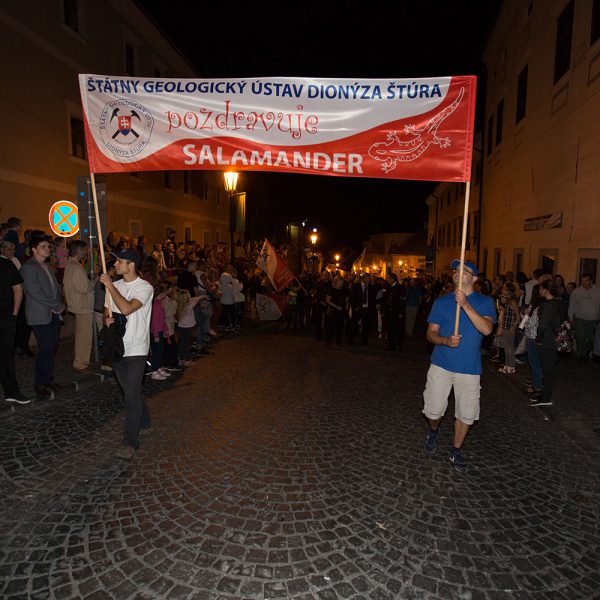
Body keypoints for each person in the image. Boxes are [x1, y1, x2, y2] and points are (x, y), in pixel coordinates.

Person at [422, 259, 496, 474]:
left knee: (466, 414)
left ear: (475, 278)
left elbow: (486, 329)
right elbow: (430, 334)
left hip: (469, 368)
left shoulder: (485, 302)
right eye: (456, 270)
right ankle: (434, 430)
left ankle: (455, 449)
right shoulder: (441, 302)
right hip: (441, 364)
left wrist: (465, 304)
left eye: (464, 270)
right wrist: (445, 340)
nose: (457, 273)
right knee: (432, 412)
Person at [100, 248, 154, 460]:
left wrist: (110, 286)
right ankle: (146, 423)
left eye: (119, 261)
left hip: (137, 348)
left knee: (131, 395)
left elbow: (127, 309)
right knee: (131, 392)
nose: (114, 265)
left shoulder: (144, 287)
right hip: (117, 347)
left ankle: (130, 442)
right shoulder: (115, 285)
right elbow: (107, 311)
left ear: (131, 264)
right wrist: (106, 320)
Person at [20, 236, 65, 400]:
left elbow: (55, 288)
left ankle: (49, 380)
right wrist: (57, 305)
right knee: (46, 348)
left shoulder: (46, 266)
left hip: (53, 313)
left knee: (52, 347)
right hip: (40, 314)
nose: (48, 249)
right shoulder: (29, 267)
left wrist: (61, 302)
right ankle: (40, 383)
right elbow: (35, 292)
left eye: (48, 246)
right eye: (43, 246)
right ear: (34, 249)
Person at [530, 280, 567, 407]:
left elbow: (543, 325)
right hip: (553, 341)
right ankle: (544, 395)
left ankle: (546, 398)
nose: (539, 291)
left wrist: (538, 339)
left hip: (548, 342)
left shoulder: (549, 305)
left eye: (541, 288)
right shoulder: (559, 303)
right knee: (548, 370)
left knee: (547, 371)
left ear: (546, 290)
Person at [0, 254, 30, 404]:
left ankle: (11, 392)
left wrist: (14, 314)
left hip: (6, 319)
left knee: (6, 356)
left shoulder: (7, 264)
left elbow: (18, 288)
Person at [63, 240, 95, 374]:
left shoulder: (71, 265)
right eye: (85, 250)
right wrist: (94, 282)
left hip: (79, 304)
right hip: (82, 305)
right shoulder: (75, 267)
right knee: (84, 336)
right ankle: (80, 363)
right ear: (79, 250)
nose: (86, 253)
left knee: (82, 334)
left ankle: (82, 361)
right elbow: (83, 287)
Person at [568, 273, 600, 364]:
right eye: (582, 280)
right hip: (580, 318)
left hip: (593, 319)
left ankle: (586, 350)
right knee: (580, 337)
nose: (583, 282)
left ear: (591, 281)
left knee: (593, 339)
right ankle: (581, 356)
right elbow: (572, 305)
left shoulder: (597, 292)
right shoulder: (576, 292)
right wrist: (570, 318)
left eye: (586, 280)